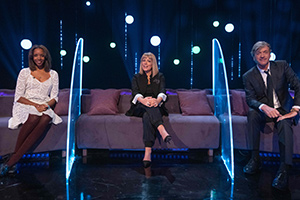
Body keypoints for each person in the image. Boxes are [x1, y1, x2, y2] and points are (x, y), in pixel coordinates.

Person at [242, 41, 300, 191]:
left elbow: (298, 86)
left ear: (270, 54)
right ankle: (255, 159)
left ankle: (283, 169)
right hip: (264, 111)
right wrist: (263, 107)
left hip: (283, 108)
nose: (262, 55)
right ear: (254, 57)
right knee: (252, 113)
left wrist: (295, 110)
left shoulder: (282, 66)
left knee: (285, 123)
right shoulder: (248, 76)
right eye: (258, 53)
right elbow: (250, 99)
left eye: (265, 52)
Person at [0, 45, 62, 177]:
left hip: (44, 104)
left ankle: (11, 162)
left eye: (41, 55)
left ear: (45, 57)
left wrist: (44, 105)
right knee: (34, 117)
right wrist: (36, 105)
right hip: (25, 103)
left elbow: (54, 97)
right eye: (35, 55)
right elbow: (19, 96)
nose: (38, 58)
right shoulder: (24, 72)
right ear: (32, 58)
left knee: (45, 117)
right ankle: (12, 162)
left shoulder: (53, 74)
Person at [125, 52, 171, 168]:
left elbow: (162, 91)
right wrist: (144, 100)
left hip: (155, 105)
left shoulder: (160, 76)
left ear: (153, 63)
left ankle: (147, 152)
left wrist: (157, 100)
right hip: (139, 106)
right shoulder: (136, 77)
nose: (145, 63)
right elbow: (135, 93)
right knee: (148, 107)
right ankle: (161, 129)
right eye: (143, 60)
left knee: (147, 116)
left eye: (148, 61)